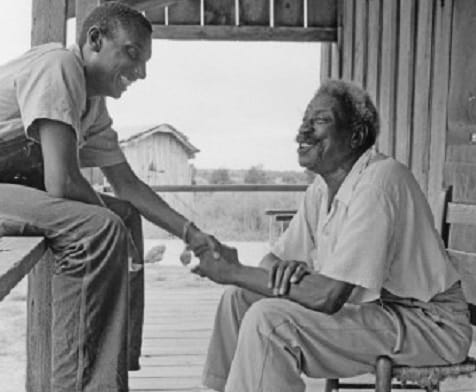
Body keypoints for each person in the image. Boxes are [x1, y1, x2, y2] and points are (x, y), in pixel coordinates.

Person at [0, 2, 214, 391]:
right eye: (133, 54)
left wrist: (192, 233)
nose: (141, 72)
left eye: (145, 62)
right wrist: (115, 227)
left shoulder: (92, 106)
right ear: (94, 40)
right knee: (99, 227)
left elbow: (128, 186)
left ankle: (113, 368)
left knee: (123, 214)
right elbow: (63, 182)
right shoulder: (59, 66)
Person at [193, 80, 473, 392]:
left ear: (355, 136)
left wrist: (233, 271)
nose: (303, 133)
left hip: (429, 324)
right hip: (381, 312)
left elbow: (327, 297)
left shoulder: (379, 183)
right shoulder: (322, 189)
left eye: (320, 121)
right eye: (304, 122)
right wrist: (289, 273)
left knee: (271, 321)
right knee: (239, 298)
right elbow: (273, 260)